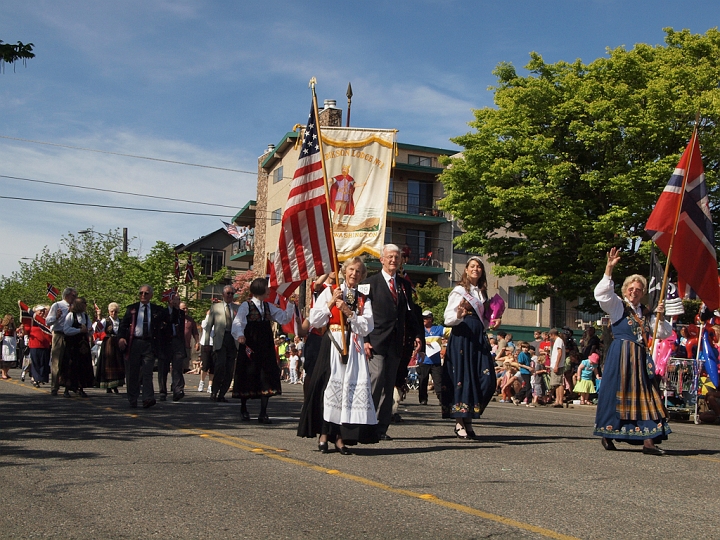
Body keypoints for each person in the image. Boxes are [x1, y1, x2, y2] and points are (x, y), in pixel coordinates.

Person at [593, 247, 672, 455]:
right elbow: (601, 294)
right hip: (621, 355)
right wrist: (609, 268)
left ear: (643, 293)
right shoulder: (618, 306)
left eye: (638, 289)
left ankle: (649, 442)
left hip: (640, 357)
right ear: (625, 289)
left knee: (647, 395)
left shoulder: (646, 313)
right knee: (615, 395)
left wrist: (661, 317)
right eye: (631, 288)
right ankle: (608, 433)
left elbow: (663, 333)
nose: (634, 292)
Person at [298, 257, 378, 453]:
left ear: (362, 275)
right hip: (332, 342)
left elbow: (368, 325)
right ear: (344, 271)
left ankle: (340, 436)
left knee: (346, 391)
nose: (354, 274)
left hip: (353, 346)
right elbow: (315, 320)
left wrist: (349, 313)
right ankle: (324, 433)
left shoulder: (362, 298)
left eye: (358, 271)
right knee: (328, 388)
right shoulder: (332, 290)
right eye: (351, 270)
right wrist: (332, 301)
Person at [362, 244, 423, 440]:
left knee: (388, 388)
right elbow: (361, 314)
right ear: (381, 259)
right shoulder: (370, 283)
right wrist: (365, 340)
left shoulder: (404, 286)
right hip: (376, 341)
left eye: (397, 257)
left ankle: (381, 428)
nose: (393, 260)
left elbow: (411, 314)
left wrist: (417, 336)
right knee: (376, 381)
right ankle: (365, 425)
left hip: (397, 343)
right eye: (389, 257)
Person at [441, 256, 498, 439]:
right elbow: (448, 319)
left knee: (486, 380)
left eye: (479, 267)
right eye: (472, 266)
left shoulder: (482, 293)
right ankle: (461, 421)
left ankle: (470, 415)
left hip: (478, 339)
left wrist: (492, 323)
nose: (476, 269)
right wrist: (459, 313)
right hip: (462, 337)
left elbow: (483, 320)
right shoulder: (459, 291)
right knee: (463, 378)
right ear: (466, 269)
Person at [231, 278, 294, 423]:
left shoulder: (268, 307)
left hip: (265, 347)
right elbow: (238, 322)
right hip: (251, 345)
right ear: (260, 289)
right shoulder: (246, 306)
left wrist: (290, 304)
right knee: (247, 374)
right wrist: (240, 335)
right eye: (266, 288)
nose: (268, 290)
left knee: (266, 376)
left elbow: (283, 318)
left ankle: (263, 412)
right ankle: (243, 408)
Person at [118, 285, 168, 409]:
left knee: (147, 372)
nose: (143, 295)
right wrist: (121, 338)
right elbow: (123, 325)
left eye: (146, 293)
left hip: (149, 343)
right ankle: (133, 398)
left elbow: (168, 320)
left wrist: (172, 306)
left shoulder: (157, 310)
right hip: (134, 343)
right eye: (141, 293)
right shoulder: (132, 309)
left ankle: (147, 398)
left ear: (151, 295)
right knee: (133, 372)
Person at [203, 285, 239, 403]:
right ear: (223, 295)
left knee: (229, 369)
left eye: (231, 294)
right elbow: (208, 327)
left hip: (232, 340)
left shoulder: (237, 308)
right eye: (228, 293)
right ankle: (214, 391)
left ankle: (222, 394)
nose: (229, 296)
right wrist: (207, 343)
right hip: (220, 340)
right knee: (220, 366)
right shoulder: (216, 307)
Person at [45, 287, 78, 395]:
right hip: (59, 334)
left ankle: (69, 386)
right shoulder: (57, 305)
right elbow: (48, 321)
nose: (75, 298)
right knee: (57, 362)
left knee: (70, 361)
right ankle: (54, 387)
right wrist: (56, 316)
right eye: (74, 296)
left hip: (71, 335)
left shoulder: (75, 307)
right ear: (67, 295)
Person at [60, 297, 94, 398]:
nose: (85, 305)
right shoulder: (71, 316)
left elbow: (90, 331)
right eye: (84, 303)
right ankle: (67, 388)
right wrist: (79, 331)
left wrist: (90, 330)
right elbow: (66, 330)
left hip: (83, 346)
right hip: (73, 345)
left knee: (83, 366)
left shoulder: (86, 317)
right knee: (71, 366)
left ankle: (81, 387)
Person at [157, 294, 186, 402]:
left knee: (177, 368)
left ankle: (177, 390)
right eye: (175, 299)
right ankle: (162, 391)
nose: (177, 301)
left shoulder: (180, 314)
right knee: (163, 368)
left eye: (179, 300)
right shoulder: (163, 312)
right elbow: (166, 322)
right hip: (165, 342)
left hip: (177, 342)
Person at [95, 302, 125, 393]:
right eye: (112, 311)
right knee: (108, 363)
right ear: (109, 311)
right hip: (108, 343)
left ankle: (115, 385)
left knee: (117, 363)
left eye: (115, 312)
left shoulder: (120, 321)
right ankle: (108, 386)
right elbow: (97, 329)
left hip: (117, 344)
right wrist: (99, 317)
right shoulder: (106, 321)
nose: (113, 313)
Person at [418, 310, 444, 405]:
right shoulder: (419, 330)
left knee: (438, 381)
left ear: (430, 319)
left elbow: (450, 331)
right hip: (423, 360)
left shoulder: (438, 329)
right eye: (423, 318)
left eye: (425, 318)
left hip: (435, 361)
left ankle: (441, 399)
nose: (423, 320)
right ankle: (423, 399)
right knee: (422, 381)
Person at [548, 328, 566, 408]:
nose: (550, 337)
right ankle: (557, 400)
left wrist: (556, 365)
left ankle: (560, 401)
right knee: (556, 384)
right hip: (555, 364)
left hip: (558, 365)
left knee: (559, 383)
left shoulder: (559, 340)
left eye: (550, 336)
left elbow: (559, 353)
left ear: (552, 334)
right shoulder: (557, 341)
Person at [180, 301, 200, 372]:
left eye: (186, 308)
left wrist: (197, 342)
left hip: (186, 346)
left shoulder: (190, 320)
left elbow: (195, 333)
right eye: (183, 309)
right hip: (177, 346)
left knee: (185, 367)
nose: (185, 310)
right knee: (177, 367)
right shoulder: (176, 318)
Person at [198, 309, 214, 393]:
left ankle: (210, 385)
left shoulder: (218, 322)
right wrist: (208, 315)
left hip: (215, 344)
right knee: (205, 365)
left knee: (213, 366)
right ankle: (202, 382)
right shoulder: (205, 321)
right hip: (206, 344)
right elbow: (204, 326)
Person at [512, 341, 533, 406]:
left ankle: (516, 397)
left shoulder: (528, 354)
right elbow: (520, 364)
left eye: (527, 347)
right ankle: (528, 402)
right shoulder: (521, 354)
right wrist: (528, 367)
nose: (525, 349)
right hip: (524, 371)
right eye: (524, 347)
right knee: (528, 386)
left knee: (527, 386)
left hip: (528, 371)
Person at [1, 315, 17, 379]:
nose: (12, 320)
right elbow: (2, 335)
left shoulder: (13, 327)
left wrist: (15, 342)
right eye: (11, 318)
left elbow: (15, 335)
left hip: (12, 342)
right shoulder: (3, 327)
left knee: (11, 359)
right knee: (5, 359)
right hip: (6, 342)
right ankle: (3, 373)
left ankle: (6, 372)